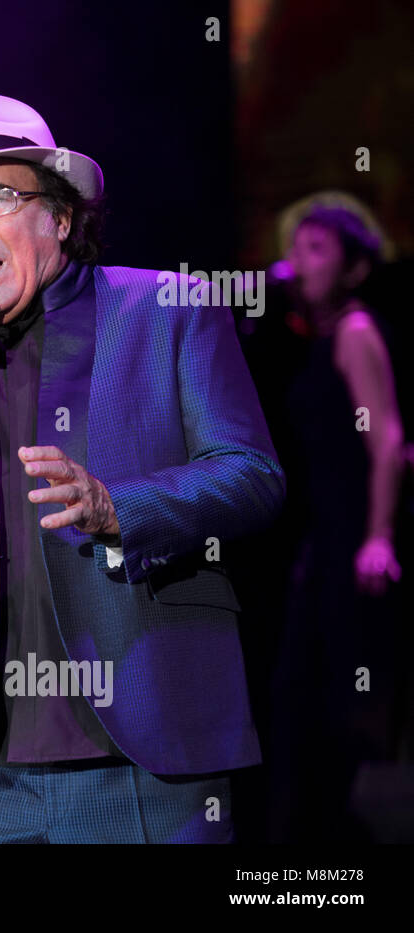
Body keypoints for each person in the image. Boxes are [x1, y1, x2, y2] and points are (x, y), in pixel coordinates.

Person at [0, 94, 286, 843]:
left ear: (61, 217)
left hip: (146, 764)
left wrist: (120, 508)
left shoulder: (169, 307)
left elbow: (252, 474)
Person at [259, 201, 406, 841]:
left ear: (353, 267)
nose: (300, 262)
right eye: (300, 247)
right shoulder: (313, 336)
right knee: (305, 695)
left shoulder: (354, 332)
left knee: (334, 698)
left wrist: (378, 536)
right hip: (324, 537)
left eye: (319, 249)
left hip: (352, 538)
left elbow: (391, 441)